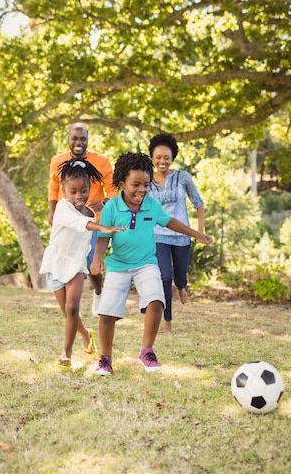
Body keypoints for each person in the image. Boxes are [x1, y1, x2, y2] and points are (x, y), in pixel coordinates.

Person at [90, 152, 212, 376]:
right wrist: (98, 258)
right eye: (135, 184)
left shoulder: (152, 205)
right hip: (118, 265)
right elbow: (103, 237)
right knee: (107, 314)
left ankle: (146, 351)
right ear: (121, 183)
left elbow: (171, 222)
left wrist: (196, 234)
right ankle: (105, 359)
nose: (141, 190)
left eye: (146, 185)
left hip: (146, 263)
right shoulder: (112, 208)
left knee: (157, 300)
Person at [40, 158, 125, 370]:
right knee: (69, 313)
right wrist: (102, 227)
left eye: (84, 190)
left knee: (72, 307)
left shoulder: (91, 213)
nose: (80, 196)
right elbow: (78, 224)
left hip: (76, 266)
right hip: (56, 264)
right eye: (74, 191)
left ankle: (66, 353)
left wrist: (91, 262)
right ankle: (86, 335)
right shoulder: (62, 207)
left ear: (90, 188)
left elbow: (85, 242)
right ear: (64, 190)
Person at [48, 122, 118, 315]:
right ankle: (70, 305)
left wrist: (103, 203)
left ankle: (98, 291)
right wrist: (52, 212)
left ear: (87, 140)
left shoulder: (101, 161)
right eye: (75, 138)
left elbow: (113, 190)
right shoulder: (57, 161)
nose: (79, 142)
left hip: (93, 220)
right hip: (67, 220)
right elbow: (54, 189)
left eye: (82, 138)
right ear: (69, 139)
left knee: (90, 261)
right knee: (63, 258)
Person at [149, 132, 207, 333]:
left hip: (182, 236)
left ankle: (182, 286)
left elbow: (198, 203)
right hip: (158, 235)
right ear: (152, 158)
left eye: (166, 157)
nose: (162, 161)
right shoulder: (147, 180)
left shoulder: (182, 177)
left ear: (172, 157)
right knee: (165, 277)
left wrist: (199, 231)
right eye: (158, 157)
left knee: (179, 276)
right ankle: (168, 322)